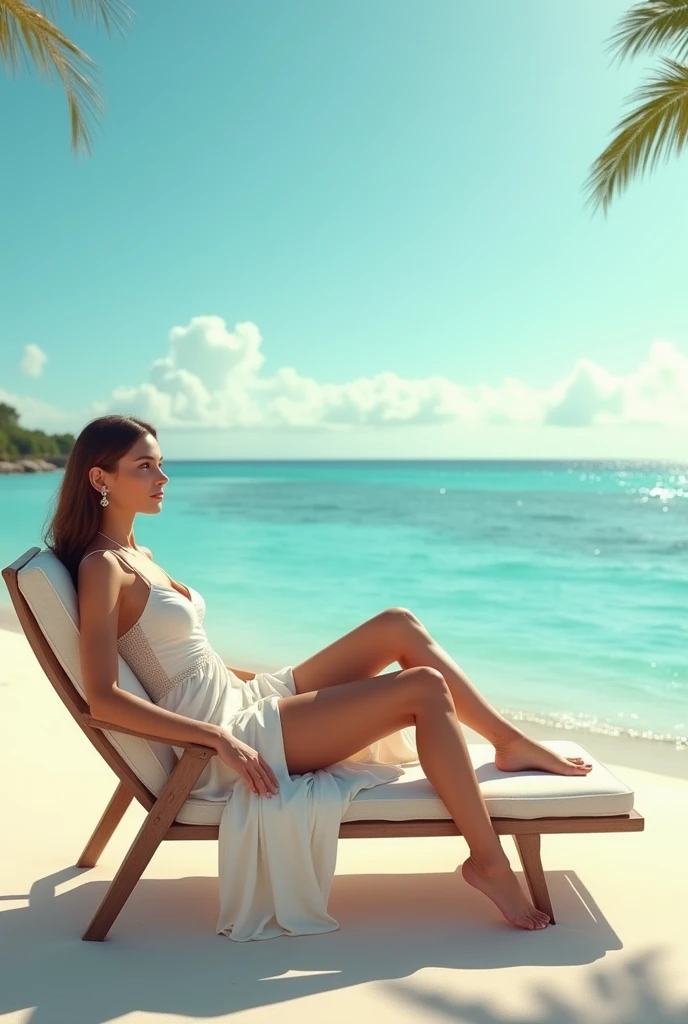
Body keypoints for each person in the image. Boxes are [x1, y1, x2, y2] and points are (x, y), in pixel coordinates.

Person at [45, 414, 592, 940]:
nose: (163, 478)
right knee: (424, 687)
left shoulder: (138, 553)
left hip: (243, 697)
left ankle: (509, 741)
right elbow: (102, 699)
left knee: (397, 625)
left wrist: (281, 684)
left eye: (161, 464)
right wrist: (217, 739)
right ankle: (489, 863)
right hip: (230, 732)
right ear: (101, 478)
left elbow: (185, 658)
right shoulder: (103, 567)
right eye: (145, 467)